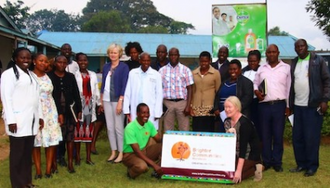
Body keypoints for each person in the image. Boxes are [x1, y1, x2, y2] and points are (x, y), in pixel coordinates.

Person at [1, 47, 43, 188]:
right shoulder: (9, 75)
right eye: (22, 58)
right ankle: (18, 184)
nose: (26, 60)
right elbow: (6, 98)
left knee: (26, 154)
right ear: (15, 59)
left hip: (31, 121)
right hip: (17, 121)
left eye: (28, 58)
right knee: (17, 155)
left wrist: (40, 117)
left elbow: (37, 98)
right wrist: (11, 119)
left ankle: (27, 182)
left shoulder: (31, 75)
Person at [289, 39, 330, 177]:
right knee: (297, 138)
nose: (300, 48)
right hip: (298, 106)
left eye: (302, 46)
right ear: (295, 49)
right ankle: (301, 164)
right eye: (297, 46)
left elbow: (327, 80)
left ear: (306, 47)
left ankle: (312, 166)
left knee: (311, 138)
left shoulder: (318, 60)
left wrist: (325, 100)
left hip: (313, 106)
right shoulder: (294, 62)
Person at [253, 44, 291, 172]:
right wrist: (256, 92)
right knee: (265, 135)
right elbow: (255, 83)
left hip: (279, 106)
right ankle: (267, 161)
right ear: (266, 54)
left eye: (274, 52)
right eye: (269, 52)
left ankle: (277, 162)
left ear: (278, 53)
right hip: (264, 106)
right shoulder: (262, 68)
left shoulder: (286, 68)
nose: (271, 54)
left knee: (278, 135)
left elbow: (289, 88)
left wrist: (287, 106)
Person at [48, 55, 82, 173]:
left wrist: (79, 110)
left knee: (70, 138)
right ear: (55, 63)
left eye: (64, 63)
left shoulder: (70, 77)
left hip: (70, 112)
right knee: (56, 139)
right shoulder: (50, 76)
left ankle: (70, 164)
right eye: (59, 62)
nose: (62, 65)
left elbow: (76, 94)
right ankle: (54, 164)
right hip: (54, 113)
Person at [31, 53, 62, 179]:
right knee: (36, 142)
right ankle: (38, 171)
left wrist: (59, 113)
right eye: (40, 61)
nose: (44, 63)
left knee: (52, 140)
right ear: (34, 61)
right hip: (35, 111)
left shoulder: (49, 76)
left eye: (45, 61)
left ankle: (48, 170)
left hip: (50, 111)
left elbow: (56, 95)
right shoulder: (29, 76)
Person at [100, 43, 129, 163]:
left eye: (115, 52)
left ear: (119, 54)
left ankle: (121, 152)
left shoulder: (124, 67)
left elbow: (124, 85)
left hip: (117, 100)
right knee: (110, 128)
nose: (113, 54)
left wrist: (121, 101)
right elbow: (103, 84)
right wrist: (101, 100)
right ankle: (113, 151)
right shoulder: (106, 67)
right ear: (108, 54)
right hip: (106, 99)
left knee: (118, 128)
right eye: (111, 52)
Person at [223, 96, 262, 183]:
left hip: (249, 153)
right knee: (225, 173)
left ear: (237, 107)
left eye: (229, 107)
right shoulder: (226, 121)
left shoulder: (244, 123)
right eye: (225, 107)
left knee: (233, 178)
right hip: (234, 152)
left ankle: (256, 166)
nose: (227, 109)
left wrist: (238, 171)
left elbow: (243, 148)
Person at [123, 103, 163, 179]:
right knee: (142, 167)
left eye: (148, 112)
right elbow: (137, 151)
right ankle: (130, 173)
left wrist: (171, 139)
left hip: (144, 150)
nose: (146, 115)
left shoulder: (149, 124)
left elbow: (159, 140)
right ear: (137, 114)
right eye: (143, 113)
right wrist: (154, 165)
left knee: (164, 147)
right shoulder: (130, 128)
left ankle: (157, 172)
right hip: (130, 154)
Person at [123, 52, 163, 130]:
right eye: (144, 60)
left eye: (148, 60)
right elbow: (128, 92)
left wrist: (157, 113)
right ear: (140, 61)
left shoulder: (156, 74)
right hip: (135, 109)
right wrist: (126, 110)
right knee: (135, 131)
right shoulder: (133, 73)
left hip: (151, 109)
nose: (146, 62)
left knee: (149, 132)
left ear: (150, 61)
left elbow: (159, 94)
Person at [74, 52, 101, 165]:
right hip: (79, 106)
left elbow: (96, 90)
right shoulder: (74, 75)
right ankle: (78, 157)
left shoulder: (93, 74)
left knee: (89, 132)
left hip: (89, 104)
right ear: (77, 62)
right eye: (80, 60)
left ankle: (88, 158)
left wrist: (99, 104)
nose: (83, 62)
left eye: (85, 60)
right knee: (78, 133)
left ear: (88, 61)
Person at [159, 47, 194, 131]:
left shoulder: (186, 70)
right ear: (168, 56)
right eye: (171, 55)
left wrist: (188, 106)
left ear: (179, 56)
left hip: (182, 103)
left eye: (175, 55)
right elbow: (158, 89)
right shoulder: (162, 70)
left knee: (184, 129)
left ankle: (184, 144)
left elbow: (190, 89)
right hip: (167, 103)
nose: (173, 57)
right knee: (168, 130)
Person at [214, 59, 254, 132]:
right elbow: (217, 96)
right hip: (222, 115)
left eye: (235, 69)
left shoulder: (247, 82)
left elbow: (247, 98)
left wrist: (234, 110)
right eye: (230, 69)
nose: (232, 71)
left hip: (236, 116)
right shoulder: (224, 82)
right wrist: (216, 108)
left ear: (240, 69)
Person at [190, 51, 221, 132]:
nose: (204, 63)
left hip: (209, 109)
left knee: (208, 131)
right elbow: (192, 90)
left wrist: (216, 107)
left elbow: (218, 91)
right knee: (196, 131)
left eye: (206, 61)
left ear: (210, 61)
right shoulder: (194, 73)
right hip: (196, 108)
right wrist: (190, 106)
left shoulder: (215, 73)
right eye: (202, 61)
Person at [242, 50, 262, 140]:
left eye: (254, 61)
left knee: (258, 127)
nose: (252, 63)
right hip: (245, 103)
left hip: (257, 102)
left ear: (259, 61)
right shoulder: (243, 71)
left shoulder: (262, 71)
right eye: (250, 61)